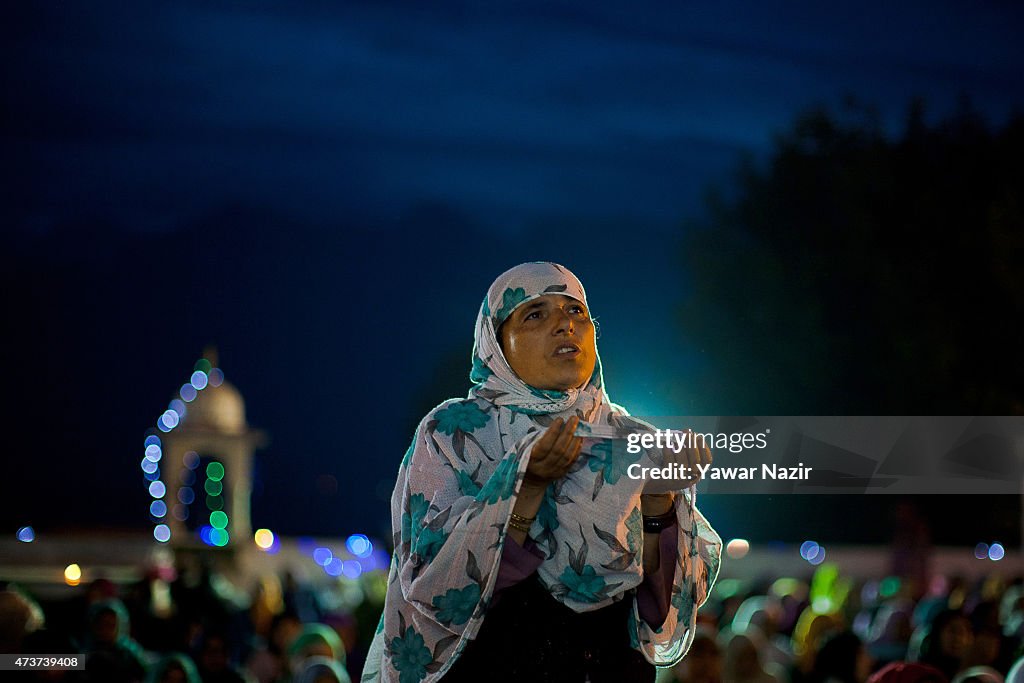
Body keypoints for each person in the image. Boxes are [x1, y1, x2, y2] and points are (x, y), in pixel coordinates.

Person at [361, 262, 722, 682]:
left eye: (576, 313)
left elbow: (659, 612)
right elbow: (436, 592)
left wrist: (659, 501)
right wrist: (526, 486)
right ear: (497, 344)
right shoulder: (455, 434)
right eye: (536, 314)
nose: (565, 326)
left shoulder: (630, 441)